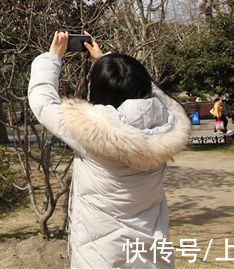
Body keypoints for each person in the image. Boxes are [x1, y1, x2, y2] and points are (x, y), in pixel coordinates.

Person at [28, 31, 190, 268]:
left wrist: (53, 57)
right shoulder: (168, 124)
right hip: (152, 257)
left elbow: (42, 101)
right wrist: (112, 63)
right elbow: (158, 96)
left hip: (101, 258)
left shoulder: (93, 132)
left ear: (97, 90)